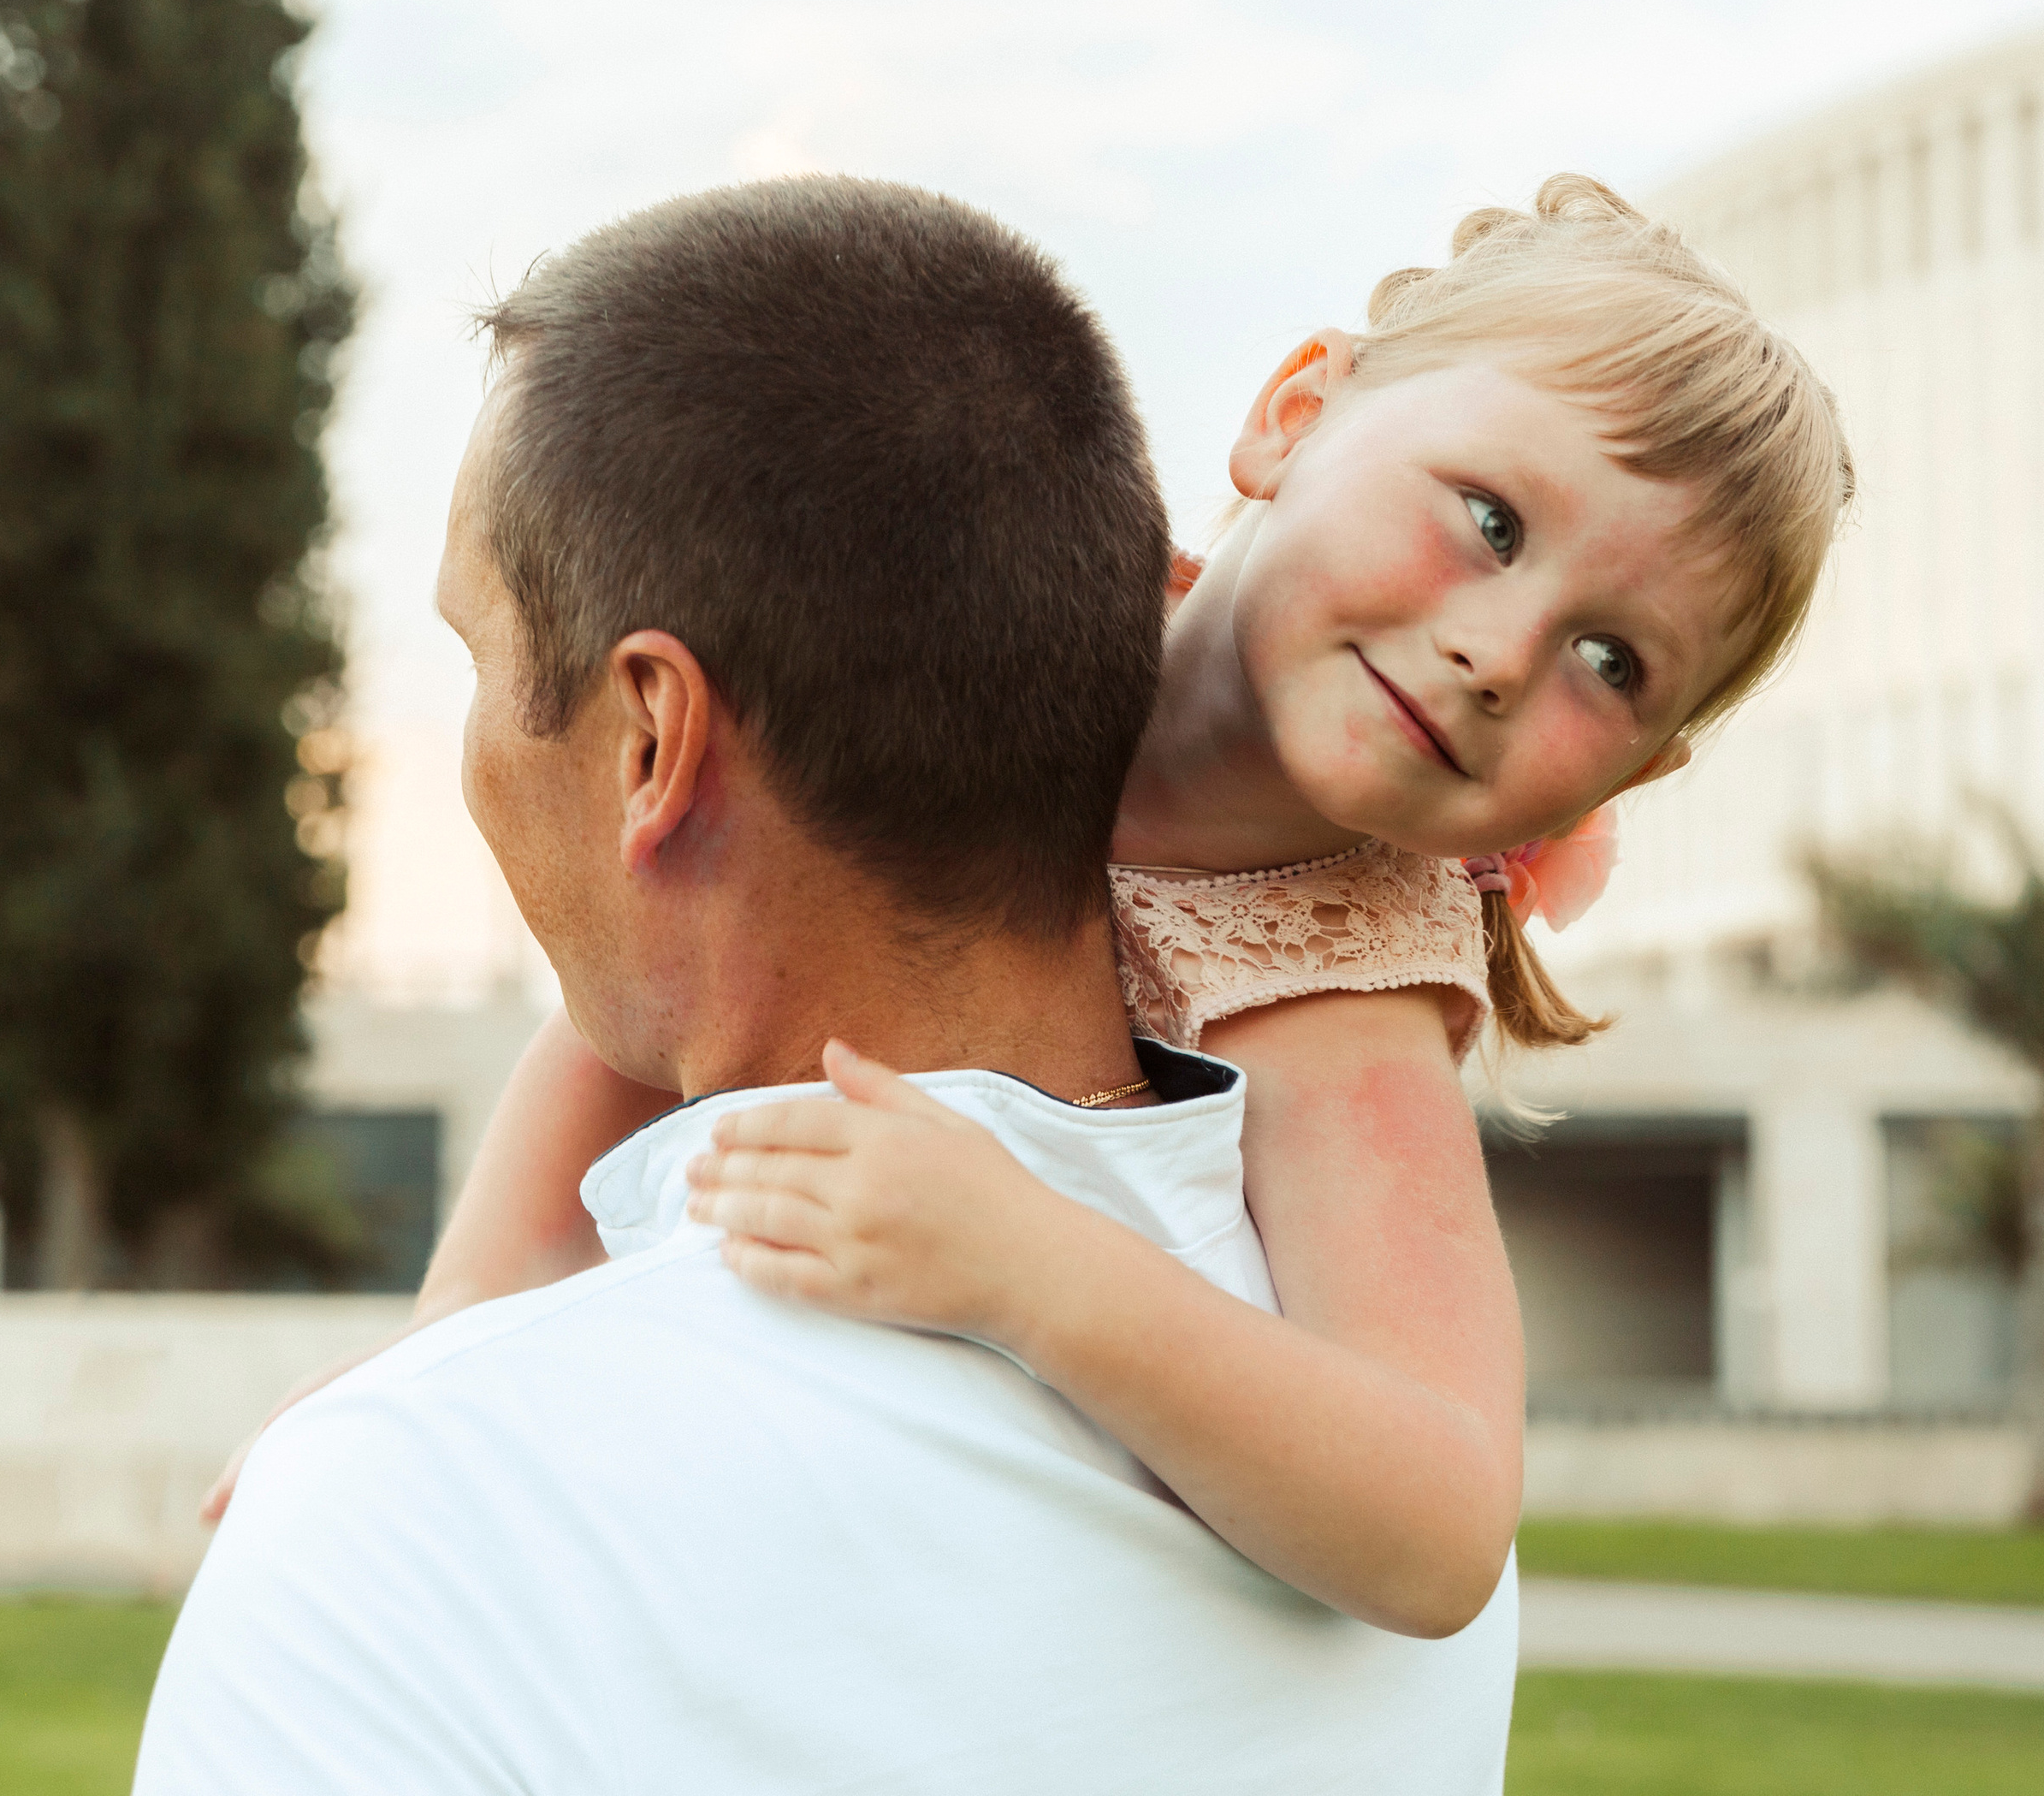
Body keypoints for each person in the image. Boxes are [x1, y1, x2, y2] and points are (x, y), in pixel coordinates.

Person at [204, 175, 1853, 1637]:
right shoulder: (1029, 597)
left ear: (1634, 771)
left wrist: (1021, 1264)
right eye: (1491, 520)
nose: (1503, 654)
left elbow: (1433, 1528)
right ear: (1294, 411)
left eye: (1611, 663)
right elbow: (638, 985)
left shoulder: (1340, 984)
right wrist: (448, 1349)